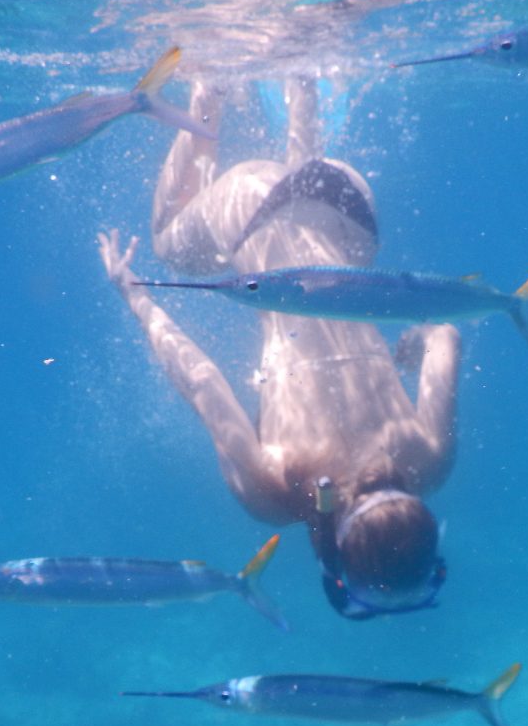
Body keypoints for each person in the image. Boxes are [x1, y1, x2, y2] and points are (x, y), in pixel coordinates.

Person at [98, 77, 459, 619]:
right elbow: (201, 383)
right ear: (336, 559)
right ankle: (209, 87)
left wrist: (415, 340)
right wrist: (135, 298)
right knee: (170, 244)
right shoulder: (273, 493)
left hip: (344, 204)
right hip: (250, 210)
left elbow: (447, 333)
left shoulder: (429, 463)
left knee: (324, 258)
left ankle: (301, 86)